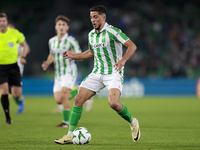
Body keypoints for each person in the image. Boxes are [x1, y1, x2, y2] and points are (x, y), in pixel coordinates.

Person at [55, 5, 140, 144]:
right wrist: (73, 56)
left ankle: (132, 121)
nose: (93, 20)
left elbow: (132, 45)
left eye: (95, 17)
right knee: (78, 100)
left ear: (103, 17)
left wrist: (123, 60)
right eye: (91, 17)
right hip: (97, 72)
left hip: (113, 72)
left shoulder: (113, 31)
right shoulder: (91, 35)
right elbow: (90, 52)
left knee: (113, 104)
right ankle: (70, 135)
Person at [42, 15, 92, 127]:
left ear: (67, 27)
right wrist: (47, 63)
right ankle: (79, 89)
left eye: (63, 25)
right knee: (59, 100)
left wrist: (73, 55)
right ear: (55, 27)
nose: (61, 27)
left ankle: (66, 122)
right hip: (58, 74)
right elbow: (52, 55)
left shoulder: (71, 41)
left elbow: (81, 56)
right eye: (59, 24)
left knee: (64, 94)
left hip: (69, 71)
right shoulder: (52, 41)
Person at [0, 13, 28, 124]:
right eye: (0, 21)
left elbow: (24, 45)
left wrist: (23, 57)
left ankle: (16, 94)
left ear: (7, 22)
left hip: (13, 66)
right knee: (4, 91)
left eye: (3, 20)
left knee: (17, 94)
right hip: (1, 67)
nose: (2, 23)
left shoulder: (15, 33)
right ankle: (8, 118)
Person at [8, 21, 31, 114]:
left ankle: (20, 102)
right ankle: (20, 101)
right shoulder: (4, 39)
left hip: (17, 66)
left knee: (13, 87)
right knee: (10, 88)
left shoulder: (18, 39)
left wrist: (21, 54)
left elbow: (27, 49)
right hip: (6, 66)